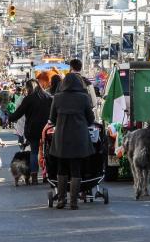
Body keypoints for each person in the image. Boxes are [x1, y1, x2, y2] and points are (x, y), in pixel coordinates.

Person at [49, 73, 95, 210]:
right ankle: (74, 201)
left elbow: (52, 119)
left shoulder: (57, 98)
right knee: (76, 169)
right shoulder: (84, 97)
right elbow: (91, 119)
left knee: (62, 168)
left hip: (61, 138)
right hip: (79, 138)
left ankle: (61, 200)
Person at [8, 79, 53, 185]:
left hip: (33, 130)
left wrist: (10, 117)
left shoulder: (28, 99)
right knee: (47, 152)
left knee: (34, 152)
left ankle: (34, 177)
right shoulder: (48, 97)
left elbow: (19, 113)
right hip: (47, 129)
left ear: (28, 88)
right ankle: (47, 175)